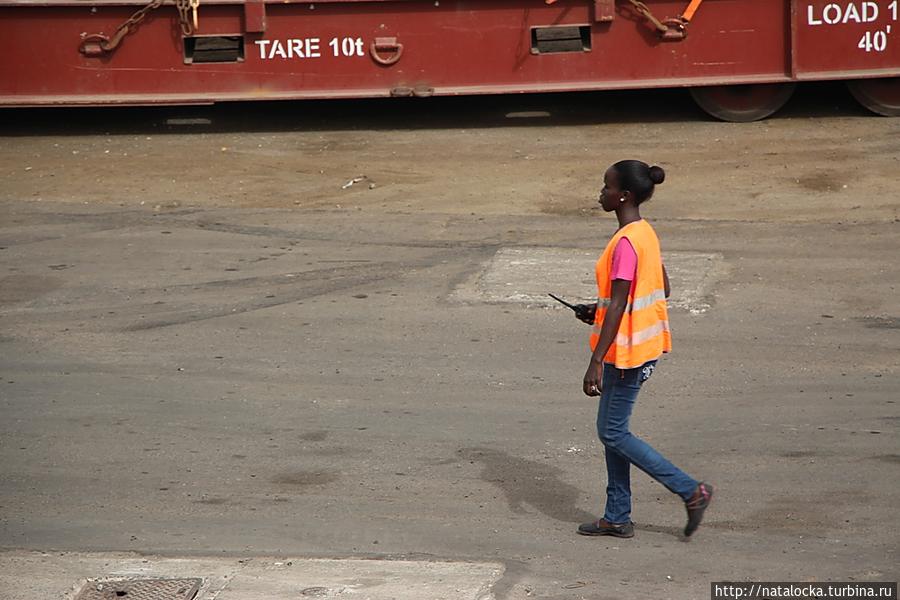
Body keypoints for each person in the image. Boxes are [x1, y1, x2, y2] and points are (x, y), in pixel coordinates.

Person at [574, 160, 713, 540]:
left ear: (624, 196)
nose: (600, 193)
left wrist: (595, 360)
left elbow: (620, 303)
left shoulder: (624, 244)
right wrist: (597, 310)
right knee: (613, 432)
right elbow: (660, 287)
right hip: (641, 346)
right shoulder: (644, 234)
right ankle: (617, 515)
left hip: (627, 353)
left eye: (606, 187)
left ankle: (691, 491)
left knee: (614, 433)